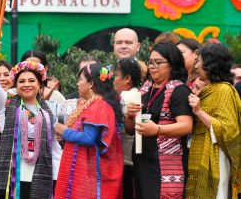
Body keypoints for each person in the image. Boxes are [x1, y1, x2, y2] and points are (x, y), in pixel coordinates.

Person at [126, 42, 193, 198]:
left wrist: (157, 130)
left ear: (172, 64)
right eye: (150, 62)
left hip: (167, 164)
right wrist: (129, 114)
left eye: (158, 62)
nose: (153, 66)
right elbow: (130, 129)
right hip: (143, 161)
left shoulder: (178, 90)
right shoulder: (145, 89)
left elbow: (187, 125)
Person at [54, 63, 124, 198]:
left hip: (94, 177)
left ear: (91, 83)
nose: (77, 83)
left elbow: (88, 138)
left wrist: (65, 132)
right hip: (89, 174)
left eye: (80, 79)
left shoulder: (99, 105)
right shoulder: (93, 104)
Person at [0, 61, 61, 199]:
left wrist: (58, 174)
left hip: (40, 173)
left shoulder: (50, 111)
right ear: (15, 85)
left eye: (31, 80)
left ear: (40, 84)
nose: (26, 84)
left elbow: (53, 146)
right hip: (9, 175)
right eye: (21, 81)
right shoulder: (6, 105)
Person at [186, 44, 241, 198]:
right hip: (198, 150)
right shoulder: (207, 89)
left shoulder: (224, 90)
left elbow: (229, 129)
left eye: (199, 61)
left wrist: (199, 111)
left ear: (210, 64)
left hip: (217, 156)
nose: (196, 66)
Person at [112, 58, 142, 199]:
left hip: (126, 165)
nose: (113, 80)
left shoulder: (126, 97)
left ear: (127, 79)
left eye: (116, 75)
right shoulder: (136, 94)